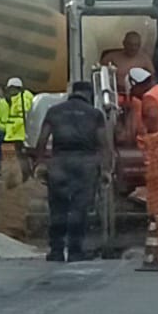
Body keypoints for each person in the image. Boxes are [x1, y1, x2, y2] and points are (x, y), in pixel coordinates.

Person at [34, 80, 109, 261]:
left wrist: (40, 163)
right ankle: (75, 251)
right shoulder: (95, 114)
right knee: (79, 208)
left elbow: (42, 139)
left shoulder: (55, 111)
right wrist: (105, 169)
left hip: (59, 162)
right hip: (85, 164)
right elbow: (103, 145)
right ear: (89, 95)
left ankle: (56, 251)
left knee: (57, 208)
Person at [0, 77, 36, 180]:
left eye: (12, 89)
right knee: (9, 156)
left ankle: (24, 176)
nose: (11, 91)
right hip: (10, 133)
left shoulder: (25, 98)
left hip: (20, 133)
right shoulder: (10, 99)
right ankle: (12, 175)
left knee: (20, 156)